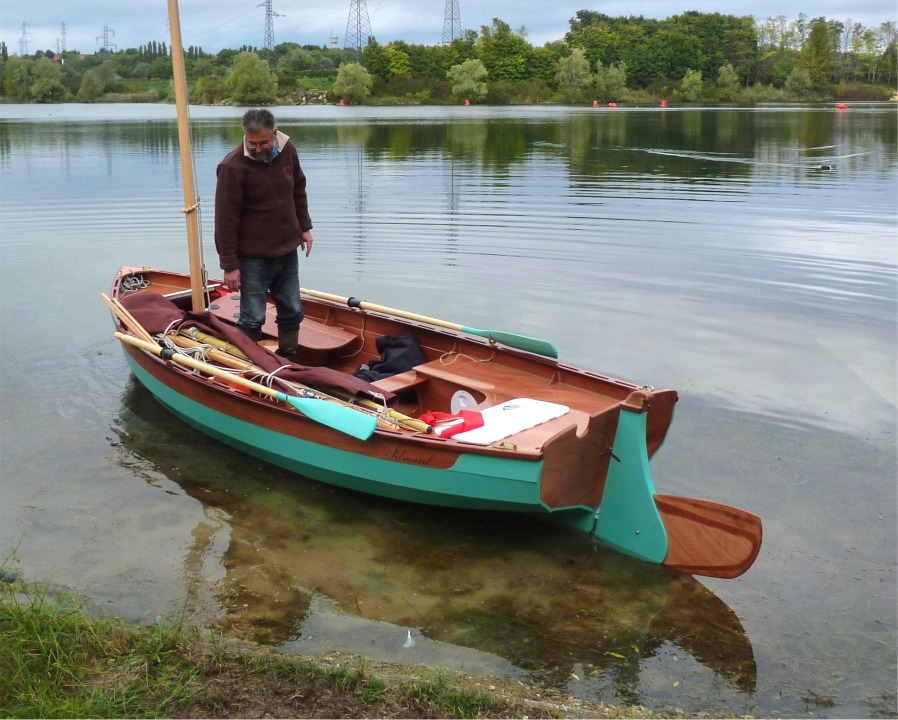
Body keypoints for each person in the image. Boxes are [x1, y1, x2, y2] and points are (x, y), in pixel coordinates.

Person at [214, 108, 314, 360]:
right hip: (253, 258)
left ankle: (289, 358)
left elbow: (298, 189)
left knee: (292, 310)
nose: (259, 148)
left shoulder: (287, 149)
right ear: (245, 137)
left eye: (264, 142)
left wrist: (304, 227)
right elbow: (225, 220)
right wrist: (230, 265)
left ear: (274, 134)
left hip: (287, 250)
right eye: (253, 143)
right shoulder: (232, 167)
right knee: (253, 318)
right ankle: (243, 366)